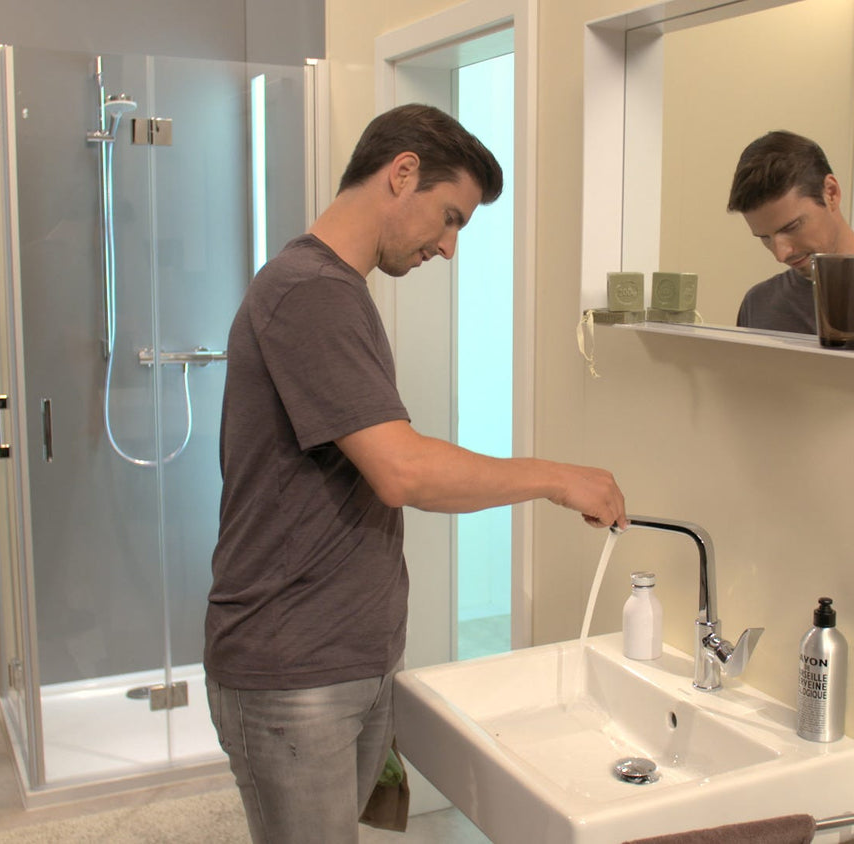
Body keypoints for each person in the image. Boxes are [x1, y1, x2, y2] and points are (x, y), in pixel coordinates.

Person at [204, 103, 629, 844]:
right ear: (402, 174)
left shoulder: (339, 289)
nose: (449, 246)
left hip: (344, 654)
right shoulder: (308, 292)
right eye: (450, 217)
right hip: (293, 664)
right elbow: (402, 470)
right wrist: (558, 478)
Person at [727, 130, 854, 334]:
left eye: (791, 227)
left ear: (831, 193)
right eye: (765, 238)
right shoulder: (758, 305)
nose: (781, 254)